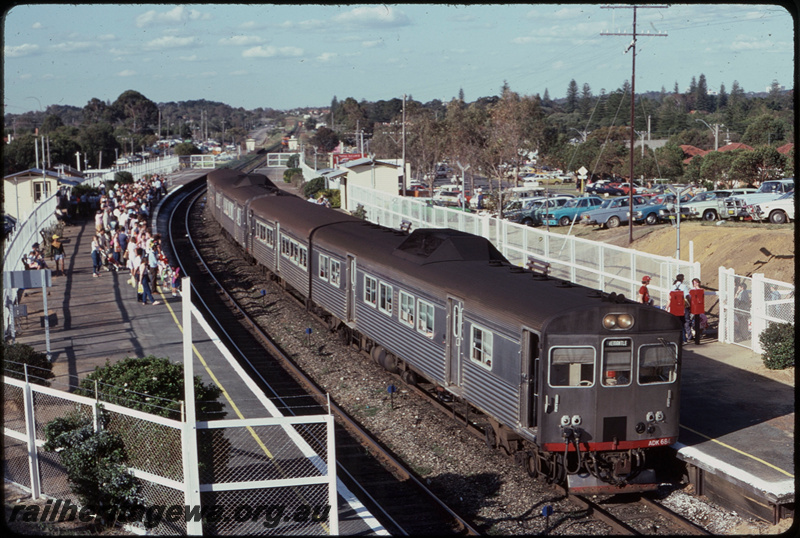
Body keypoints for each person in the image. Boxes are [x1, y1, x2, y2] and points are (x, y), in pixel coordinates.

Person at [668, 274, 691, 342]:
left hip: (674, 307)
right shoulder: (684, 286)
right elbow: (687, 296)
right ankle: (685, 338)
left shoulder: (672, 287)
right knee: (684, 321)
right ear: (682, 279)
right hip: (682, 306)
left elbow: (670, 297)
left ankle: (677, 338)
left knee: (677, 322)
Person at [689, 278, 706, 344]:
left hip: (699, 308)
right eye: (694, 283)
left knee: (702, 321)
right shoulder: (692, 290)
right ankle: (695, 335)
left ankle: (699, 334)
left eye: (696, 282)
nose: (695, 284)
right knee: (694, 322)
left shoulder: (701, 290)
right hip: (694, 308)